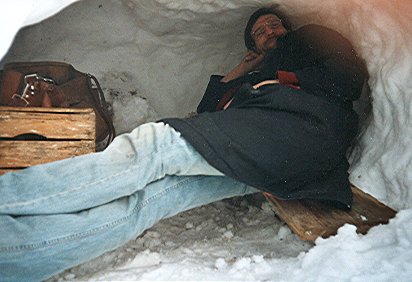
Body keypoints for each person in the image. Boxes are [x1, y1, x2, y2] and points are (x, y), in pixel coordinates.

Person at [0, 7, 366, 281]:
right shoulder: (257, 72)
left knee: (155, 145)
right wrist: (242, 73)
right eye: (259, 31)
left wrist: (280, 81)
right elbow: (207, 112)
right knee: (154, 198)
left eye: (273, 24)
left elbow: (349, 75)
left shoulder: (307, 40)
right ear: (253, 45)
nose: (269, 30)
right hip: (270, 156)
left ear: (287, 26)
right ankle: (11, 253)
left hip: (301, 132)